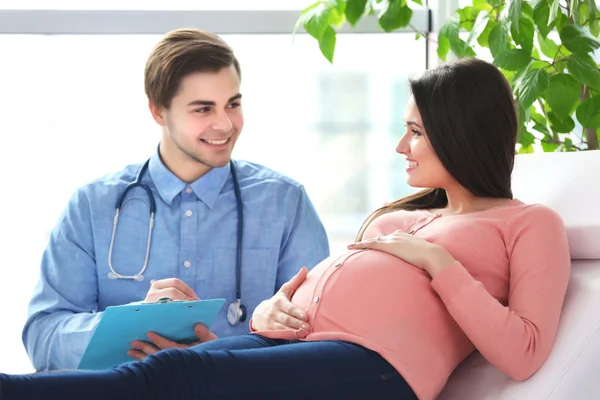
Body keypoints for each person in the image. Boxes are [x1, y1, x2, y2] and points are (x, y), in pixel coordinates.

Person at [3, 58, 571, 400]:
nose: (401, 146)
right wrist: (268, 315)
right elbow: (313, 302)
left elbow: (522, 351)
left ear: (462, 134)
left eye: (416, 132)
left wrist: (439, 264)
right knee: (162, 372)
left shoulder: (527, 223)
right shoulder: (409, 216)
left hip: (378, 370)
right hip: (320, 351)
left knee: (173, 377)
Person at [21, 28, 330, 372]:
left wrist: (227, 357)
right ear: (158, 111)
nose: (225, 124)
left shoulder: (285, 203)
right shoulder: (92, 207)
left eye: (233, 104)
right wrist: (133, 326)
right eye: (203, 109)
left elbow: (325, 340)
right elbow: (42, 337)